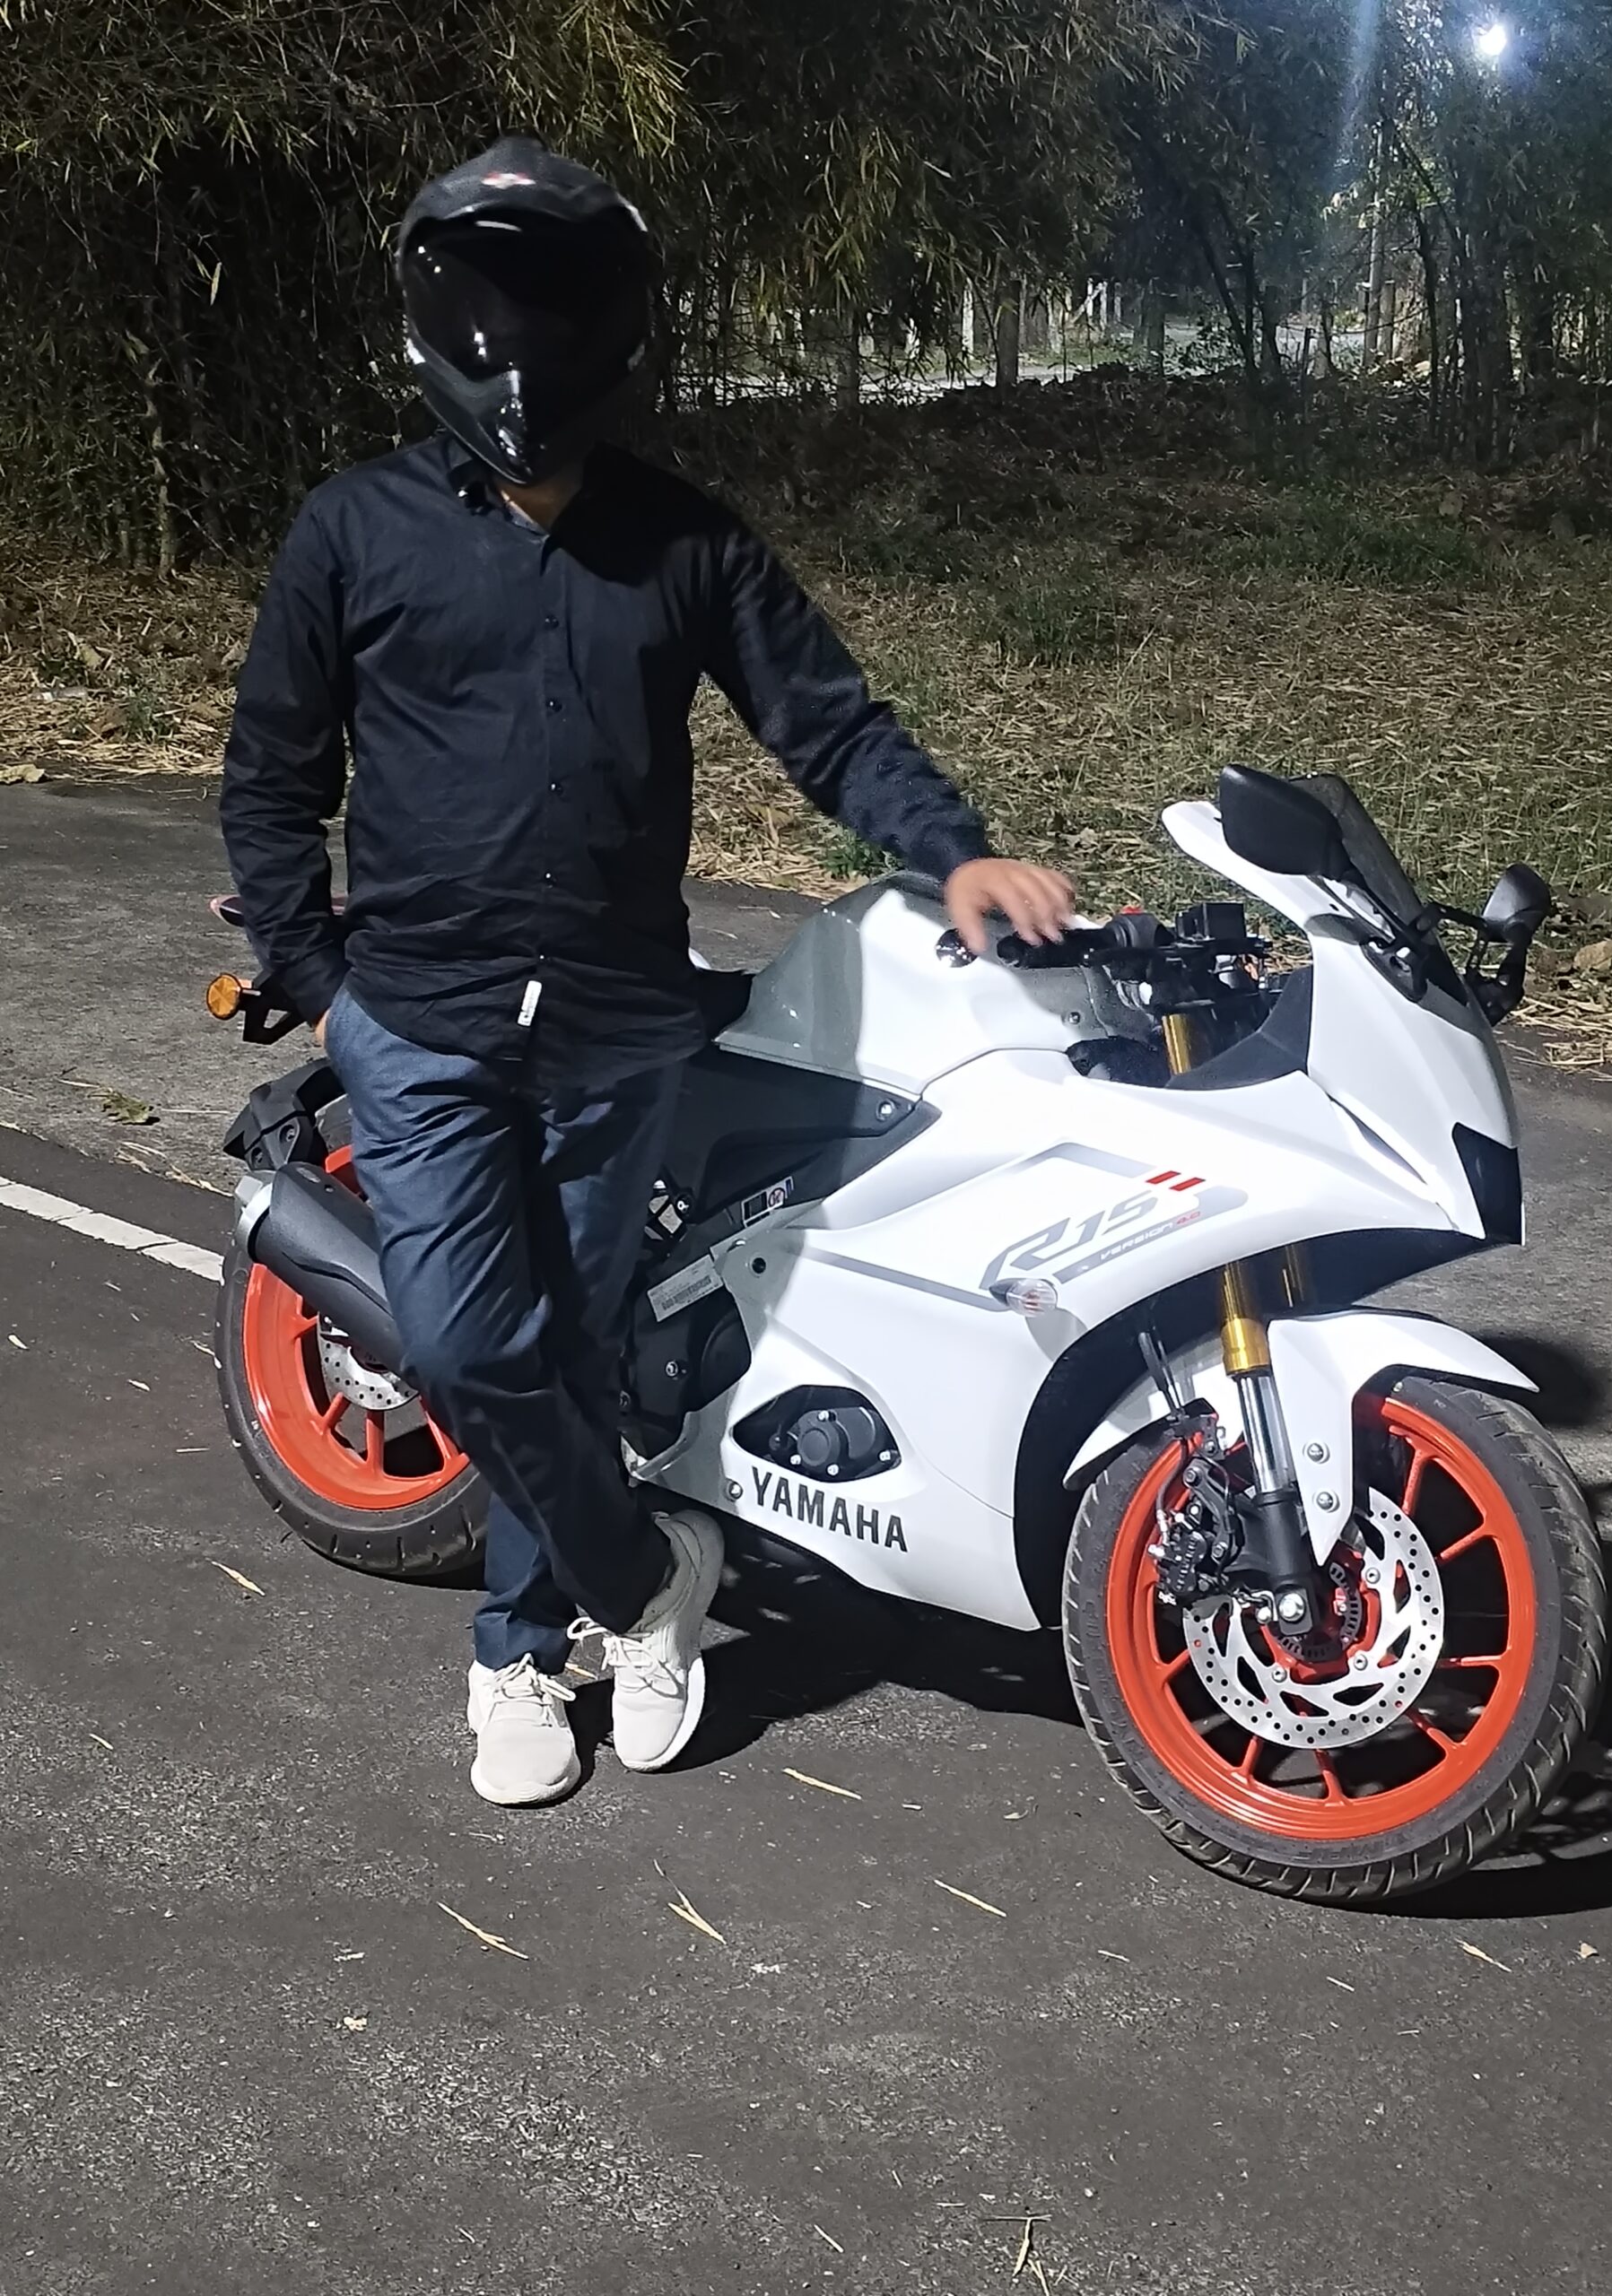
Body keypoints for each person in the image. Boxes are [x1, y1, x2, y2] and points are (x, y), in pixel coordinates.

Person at [220, 135, 1076, 1809]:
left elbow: (828, 724)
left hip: (615, 1025)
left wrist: (955, 849)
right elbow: (271, 776)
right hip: (420, 1023)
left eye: (554, 305)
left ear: (610, 330)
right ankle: (645, 1578)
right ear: (433, 317)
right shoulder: (353, 532)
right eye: (489, 302)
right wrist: (319, 978)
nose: (517, 347)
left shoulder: (685, 542)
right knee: (468, 1347)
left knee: (582, 1347)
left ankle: (520, 1653)